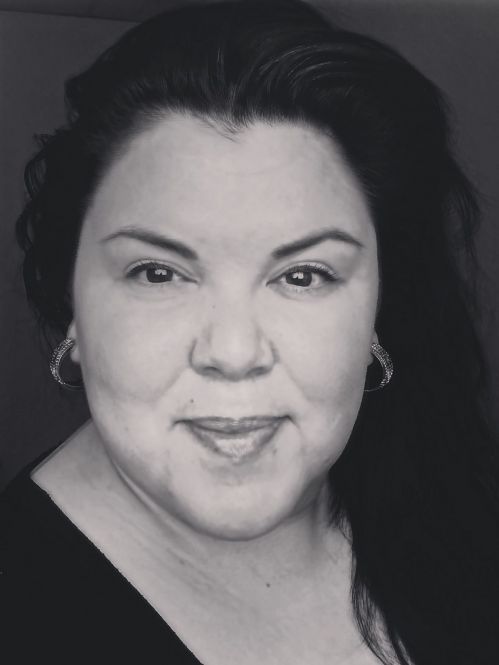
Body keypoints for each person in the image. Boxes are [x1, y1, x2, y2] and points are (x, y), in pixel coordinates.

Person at [2, 0, 499, 663]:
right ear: (73, 299)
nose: (234, 353)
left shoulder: (442, 489)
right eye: (158, 273)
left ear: (380, 300)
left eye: (303, 275)